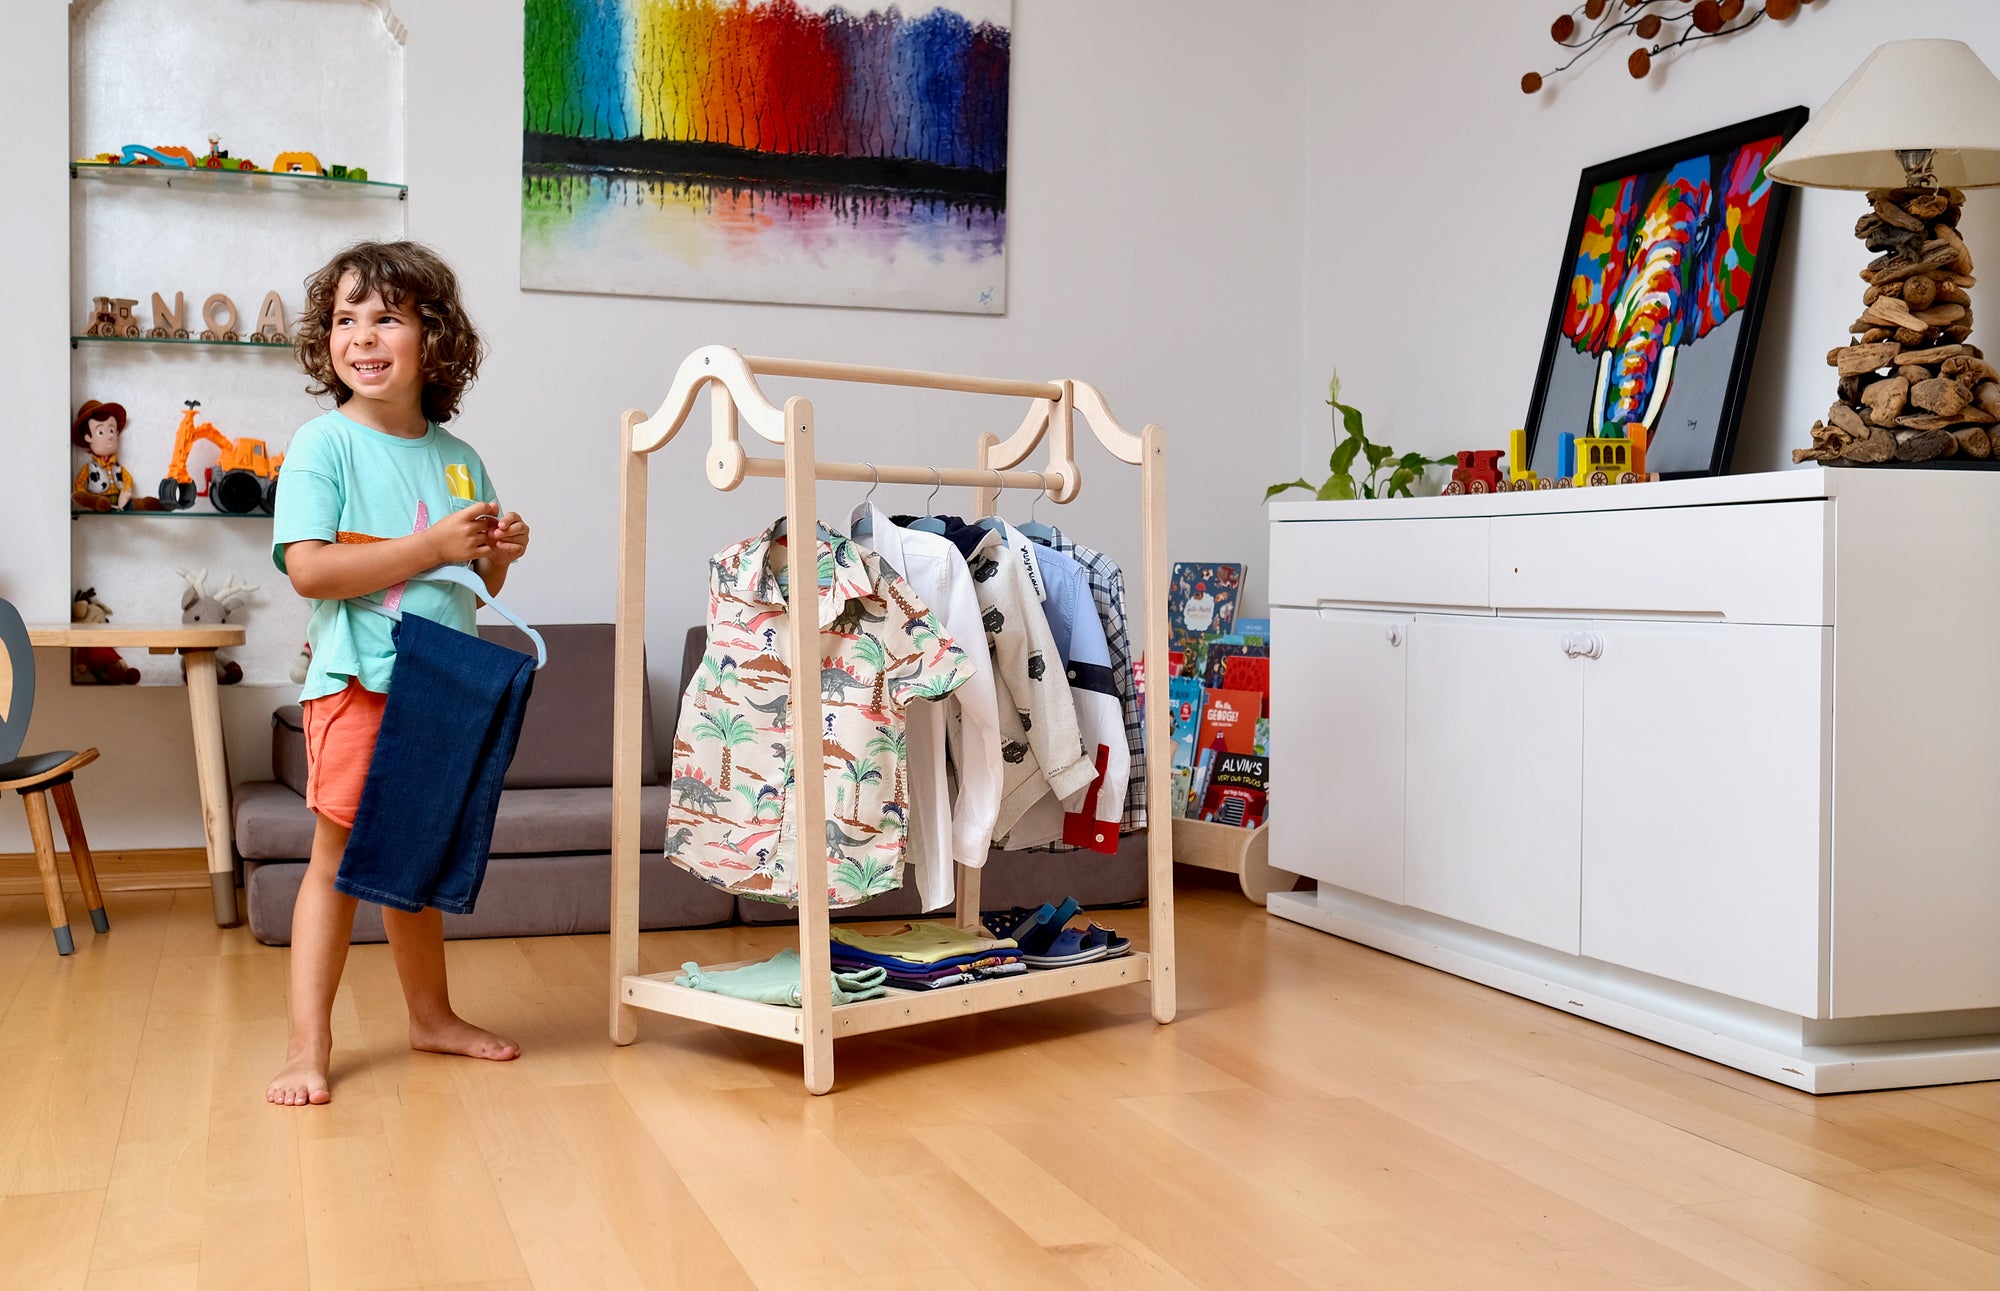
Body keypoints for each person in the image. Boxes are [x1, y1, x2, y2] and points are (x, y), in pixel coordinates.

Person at [266, 240, 531, 1106]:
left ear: (435, 339)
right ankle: (309, 1046)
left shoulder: (461, 460)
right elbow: (309, 570)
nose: (363, 335)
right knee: (338, 861)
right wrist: (432, 545)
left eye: (387, 316)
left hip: (437, 689)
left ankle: (431, 1016)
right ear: (326, 339)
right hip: (357, 683)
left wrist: (498, 555)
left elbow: (475, 584)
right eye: (346, 318)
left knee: (412, 861)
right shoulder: (322, 445)